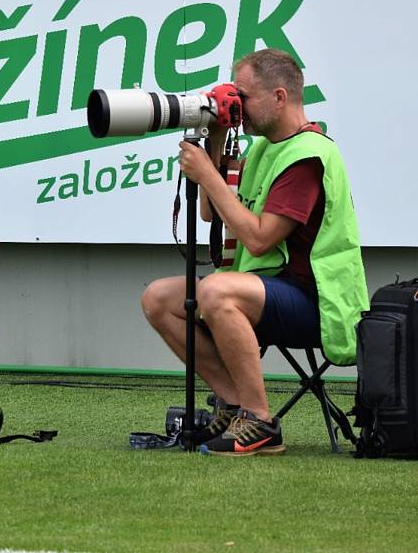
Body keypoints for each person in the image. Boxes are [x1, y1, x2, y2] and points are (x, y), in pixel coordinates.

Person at [141, 48, 368, 456]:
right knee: (158, 298)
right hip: (269, 289)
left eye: (242, 96)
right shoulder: (265, 148)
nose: (236, 106)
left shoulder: (307, 156)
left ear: (279, 97)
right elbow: (212, 213)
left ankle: (261, 420)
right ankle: (232, 403)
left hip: (317, 303)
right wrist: (213, 143)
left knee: (216, 291)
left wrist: (206, 173)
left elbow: (260, 239)